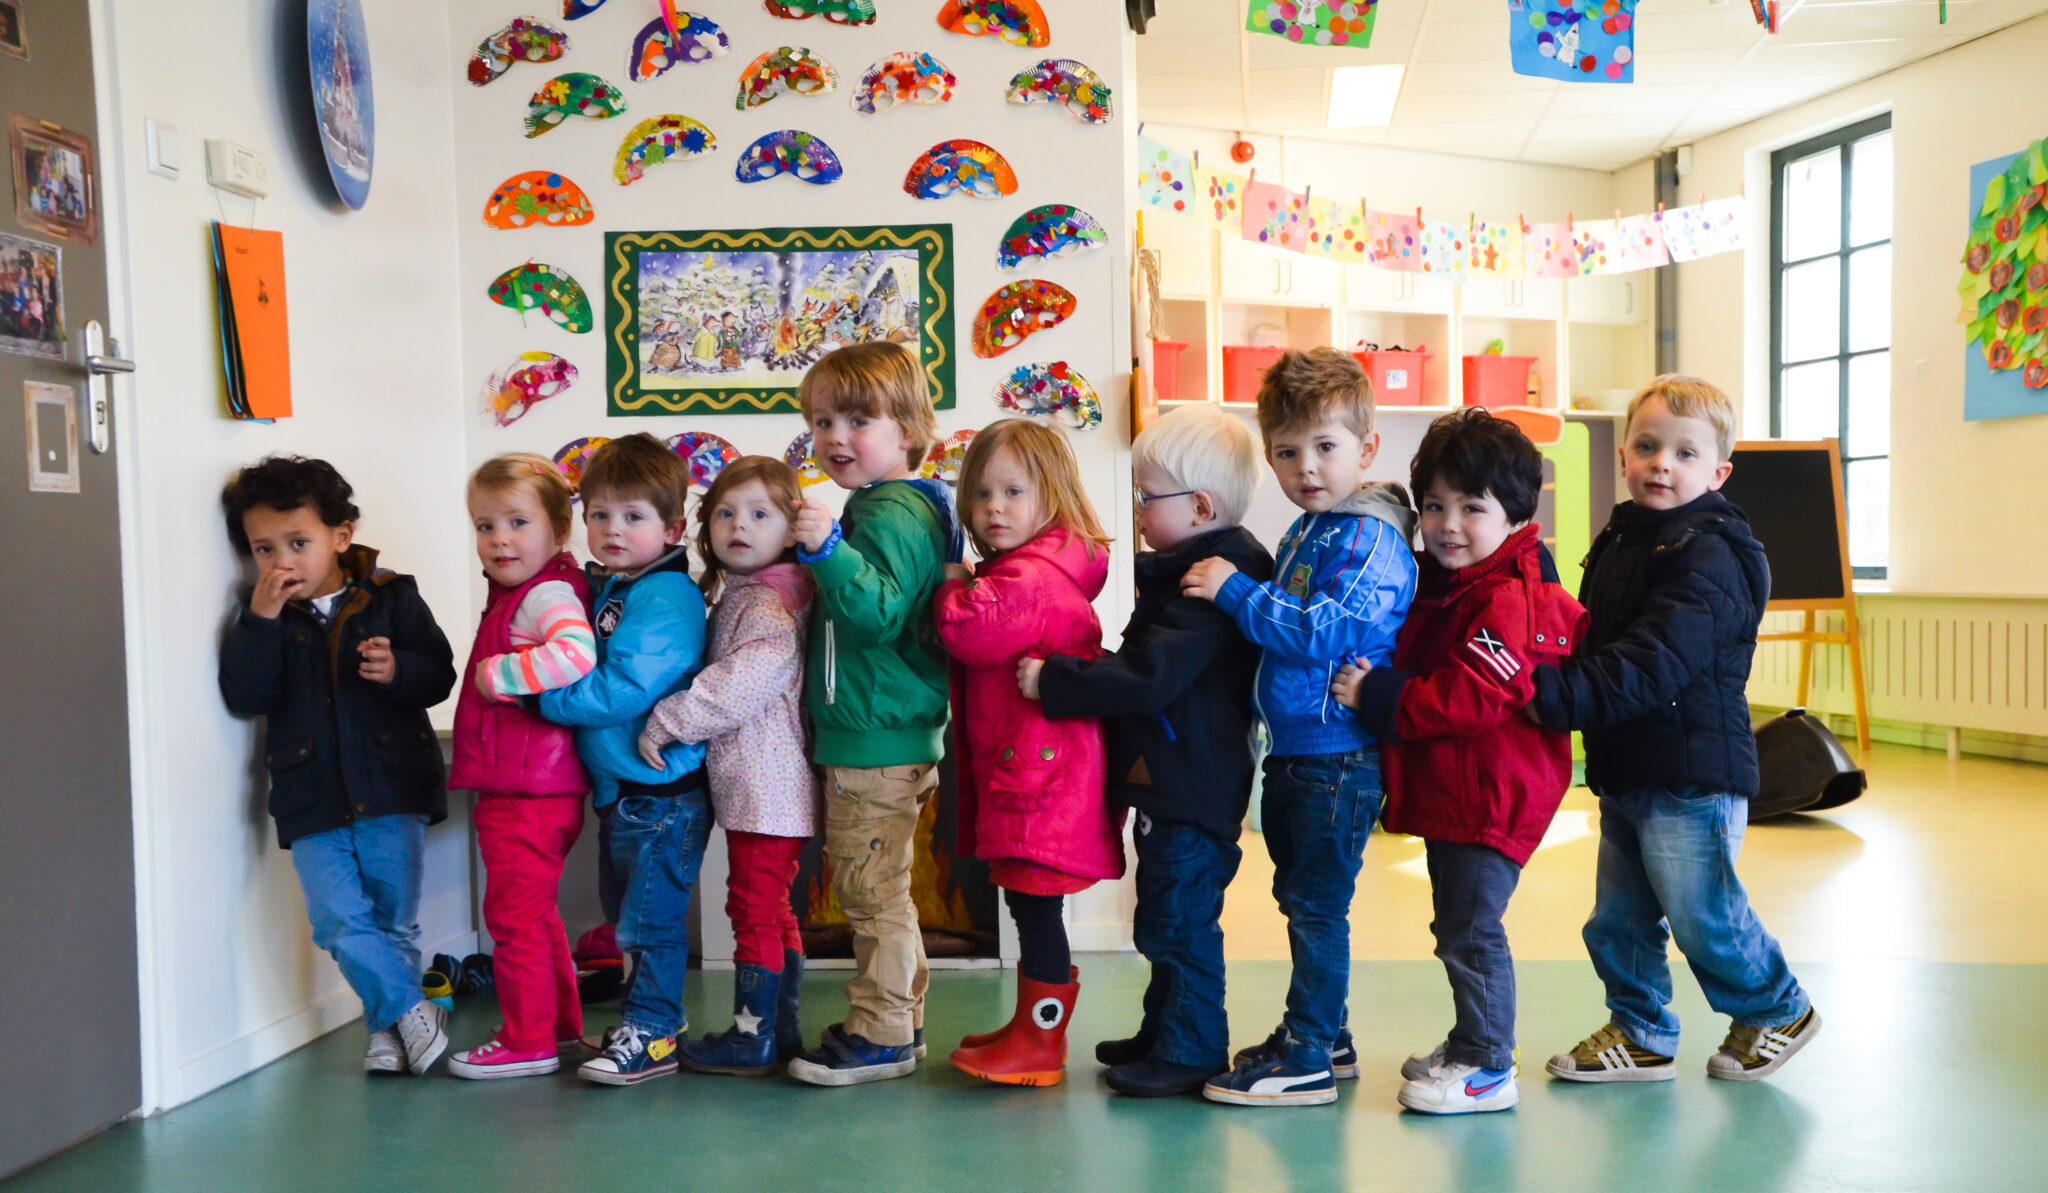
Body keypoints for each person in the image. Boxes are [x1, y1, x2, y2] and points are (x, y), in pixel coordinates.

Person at [1528, 375, 1821, 1084]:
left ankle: (1777, 1005)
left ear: (1718, 472)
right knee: (1618, 922)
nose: (1664, 463)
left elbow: (1654, 661)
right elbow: (1594, 633)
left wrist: (1559, 697)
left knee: (1703, 914)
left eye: (1685, 453)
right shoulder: (1626, 536)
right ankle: (1642, 1030)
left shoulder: (1711, 553)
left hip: (1692, 774)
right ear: (1624, 453)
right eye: (1650, 446)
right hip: (1631, 765)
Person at [1330, 408, 1588, 1114]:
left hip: (1489, 797)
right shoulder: (1457, 582)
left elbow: (1472, 695)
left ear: (1514, 515)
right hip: (1460, 794)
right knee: (1455, 926)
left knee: (1472, 929)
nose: (1448, 523)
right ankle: (1470, 1037)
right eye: (1436, 505)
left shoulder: (1505, 595)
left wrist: (1380, 694)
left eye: (1471, 507)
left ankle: (1487, 1064)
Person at [1180, 347, 1417, 1107]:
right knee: (1302, 899)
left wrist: (1233, 590)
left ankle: (1309, 1050)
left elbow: (1320, 631)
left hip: (1337, 758)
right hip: (1301, 753)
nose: (1305, 467)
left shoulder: (1370, 537)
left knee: (1317, 907)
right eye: (1287, 451)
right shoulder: (1314, 529)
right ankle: (1327, 1030)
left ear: (1367, 449)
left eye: (1325, 447)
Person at [1019, 403, 1274, 1098]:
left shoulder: (1207, 584)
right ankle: (1164, 1028)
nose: (1135, 510)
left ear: (1199, 505)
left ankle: (1191, 1046)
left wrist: (1057, 678)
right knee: (1164, 910)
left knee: (1179, 919)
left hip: (1191, 781)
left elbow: (1150, 675)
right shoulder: (1190, 568)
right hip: (1174, 775)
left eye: (1144, 496)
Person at [217, 455, 457, 1077]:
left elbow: (439, 673)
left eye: (299, 542)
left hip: (391, 785)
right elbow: (246, 695)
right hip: (310, 795)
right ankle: (409, 1010)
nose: (282, 562)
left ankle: (387, 1032)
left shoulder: (391, 595)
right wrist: (261, 622)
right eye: (264, 548)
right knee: (337, 921)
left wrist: (398, 668)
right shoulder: (262, 616)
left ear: (340, 537)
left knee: (392, 920)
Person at [785, 342, 961, 1087]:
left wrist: (826, 546)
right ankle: (900, 1018)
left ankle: (882, 1032)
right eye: (823, 420)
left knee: (867, 890)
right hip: (888, 726)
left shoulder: (887, 510)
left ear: (909, 428)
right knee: (884, 885)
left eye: (859, 418)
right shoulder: (900, 505)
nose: (835, 436)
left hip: (873, 734)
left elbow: (876, 613)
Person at [935, 419, 1122, 1087]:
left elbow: (968, 632)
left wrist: (951, 583)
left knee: (1036, 905)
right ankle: (1030, 1028)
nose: (994, 508)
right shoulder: (1034, 569)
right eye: (982, 494)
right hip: (1035, 768)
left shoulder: (1028, 579)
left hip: (1037, 778)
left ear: (1053, 495)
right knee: (1027, 904)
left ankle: (1040, 1044)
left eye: (1014, 491)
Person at [535, 433, 711, 1087]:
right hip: (626, 790)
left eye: (633, 516)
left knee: (651, 921)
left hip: (662, 793)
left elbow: (626, 686)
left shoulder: (665, 596)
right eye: (601, 514)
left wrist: (545, 701)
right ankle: (648, 1018)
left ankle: (657, 1030)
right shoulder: (616, 585)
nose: (613, 528)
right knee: (630, 917)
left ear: (671, 526)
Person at [636, 457, 818, 1077]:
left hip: (766, 787)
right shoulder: (749, 593)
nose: (739, 525)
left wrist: (669, 719)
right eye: (725, 512)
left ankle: (752, 1037)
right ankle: (778, 1029)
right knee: (771, 907)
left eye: (760, 514)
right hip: (761, 786)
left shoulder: (768, 605)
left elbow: (743, 683)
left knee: (752, 908)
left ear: (791, 529)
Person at [443, 454, 597, 1080]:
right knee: (533, 914)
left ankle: (526, 1039)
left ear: (560, 531)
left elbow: (575, 654)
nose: (499, 538)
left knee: (511, 918)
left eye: (517, 522)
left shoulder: (547, 593)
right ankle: (555, 1027)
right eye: (484, 525)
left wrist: (497, 674)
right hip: (531, 784)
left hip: (528, 789)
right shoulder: (521, 591)